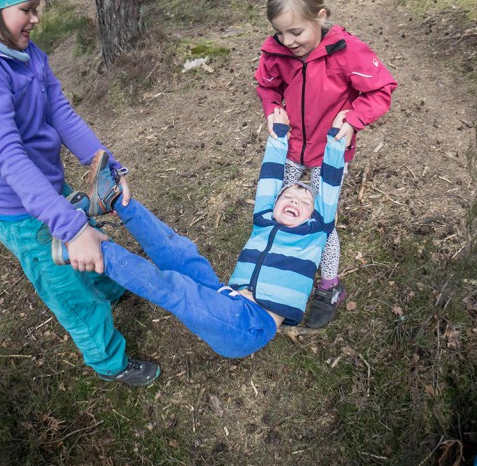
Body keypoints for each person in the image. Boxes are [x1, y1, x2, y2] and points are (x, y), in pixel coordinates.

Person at [0, 0, 160, 387]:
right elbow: (8, 158)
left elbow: (60, 113)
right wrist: (68, 225)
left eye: (36, 8)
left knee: (86, 254)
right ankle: (110, 363)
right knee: (70, 292)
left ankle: (111, 289)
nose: (36, 19)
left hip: (46, 189)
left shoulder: (26, 54)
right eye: (26, 9)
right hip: (20, 212)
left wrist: (104, 163)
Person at [53, 110, 349, 358]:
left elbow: (329, 192)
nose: (295, 200)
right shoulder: (265, 219)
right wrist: (279, 136)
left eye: (304, 201)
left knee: (177, 289)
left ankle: (93, 250)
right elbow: (269, 179)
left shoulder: (315, 232)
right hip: (223, 295)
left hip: (248, 326)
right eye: (289, 196)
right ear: (275, 204)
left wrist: (335, 144)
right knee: (179, 252)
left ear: (315, 214)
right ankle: (115, 199)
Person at [255, 0, 397, 329]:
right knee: (275, 207)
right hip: (290, 148)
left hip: (329, 155)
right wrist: (272, 109)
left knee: (320, 221)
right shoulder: (277, 51)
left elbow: (381, 89)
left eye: (296, 32)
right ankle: (275, 272)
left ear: (321, 16)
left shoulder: (346, 52)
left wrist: (354, 120)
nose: (287, 41)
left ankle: (329, 286)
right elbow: (267, 85)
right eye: (279, 32)